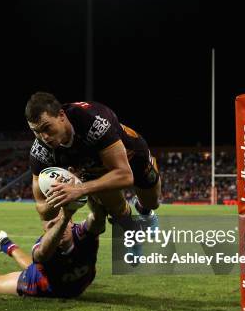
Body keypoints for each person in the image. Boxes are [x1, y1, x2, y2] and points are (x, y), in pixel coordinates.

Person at [25, 92, 160, 232]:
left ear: (61, 115)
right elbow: (42, 210)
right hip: (93, 168)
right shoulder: (40, 151)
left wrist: (79, 189)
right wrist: (57, 198)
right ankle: (132, 236)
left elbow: (125, 176)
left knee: (152, 202)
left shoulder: (93, 121)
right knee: (117, 210)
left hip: (132, 155)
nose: (44, 137)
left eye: (47, 127)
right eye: (37, 131)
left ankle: (144, 210)